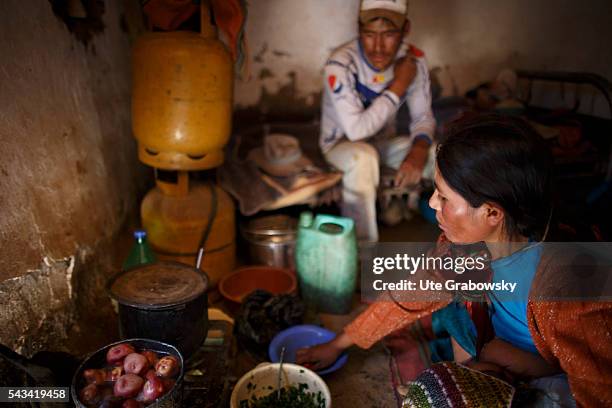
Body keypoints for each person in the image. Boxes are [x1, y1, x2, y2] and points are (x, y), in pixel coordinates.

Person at [299, 114, 612, 406]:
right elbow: (410, 294)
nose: (433, 202)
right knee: (447, 305)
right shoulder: (465, 250)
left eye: (444, 197)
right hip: (496, 346)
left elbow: (598, 389)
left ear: (492, 212)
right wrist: (338, 344)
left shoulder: (567, 289)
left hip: (553, 368)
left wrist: (517, 373)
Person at [320, 0, 435, 242]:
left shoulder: (413, 60)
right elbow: (356, 132)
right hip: (340, 145)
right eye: (369, 34)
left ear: (405, 30)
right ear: (358, 29)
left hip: (383, 144)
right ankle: (363, 251)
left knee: (439, 153)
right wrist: (398, 86)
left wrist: (419, 149)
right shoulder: (339, 63)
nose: (378, 47)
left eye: (389, 34)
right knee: (363, 157)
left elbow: (423, 117)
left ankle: (468, 240)